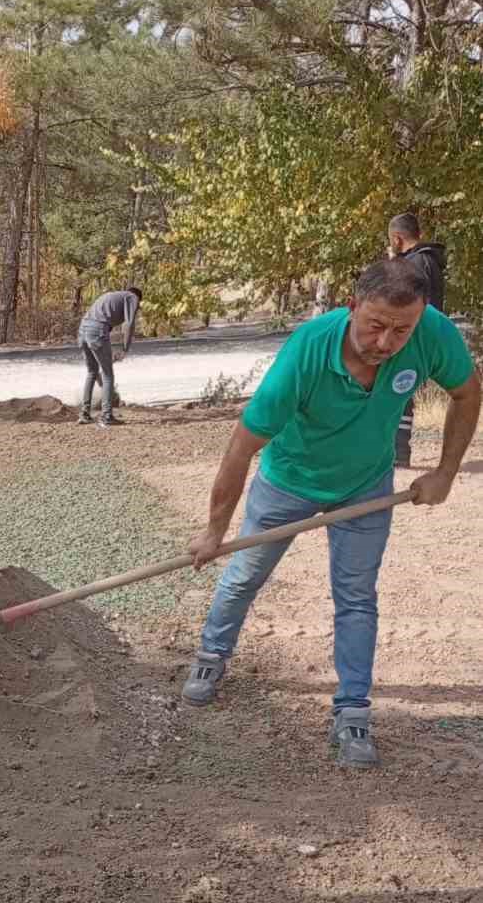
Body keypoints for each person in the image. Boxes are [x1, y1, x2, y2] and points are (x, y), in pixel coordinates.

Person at [181, 260, 479, 768]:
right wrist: (214, 531)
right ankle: (212, 656)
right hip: (288, 481)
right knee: (245, 574)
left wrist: (446, 473)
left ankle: (353, 710)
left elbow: (468, 391)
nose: (386, 342)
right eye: (375, 325)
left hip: (365, 485)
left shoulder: (432, 333)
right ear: (352, 308)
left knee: (357, 595)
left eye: (401, 330)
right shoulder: (308, 351)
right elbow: (240, 449)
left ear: (421, 316)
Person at [387, 213, 449, 468]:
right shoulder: (428, 260)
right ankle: (397, 451)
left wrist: (392, 267)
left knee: (397, 389)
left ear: (397, 238)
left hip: (411, 336)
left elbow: (399, 298)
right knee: (401, 390)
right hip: (422, 335)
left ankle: (398, 453)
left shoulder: (414, 264)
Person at [77, 287, 142, 427]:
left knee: (92, 372)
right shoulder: (132, 297)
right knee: (108, 374)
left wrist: (108, 355)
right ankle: (107, 416)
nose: (136, 309)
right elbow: (129, 324)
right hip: (96, 330)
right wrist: (125, 349)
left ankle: (84, 414)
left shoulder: (112, 297)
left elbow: (107, 325)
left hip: (83, 329)